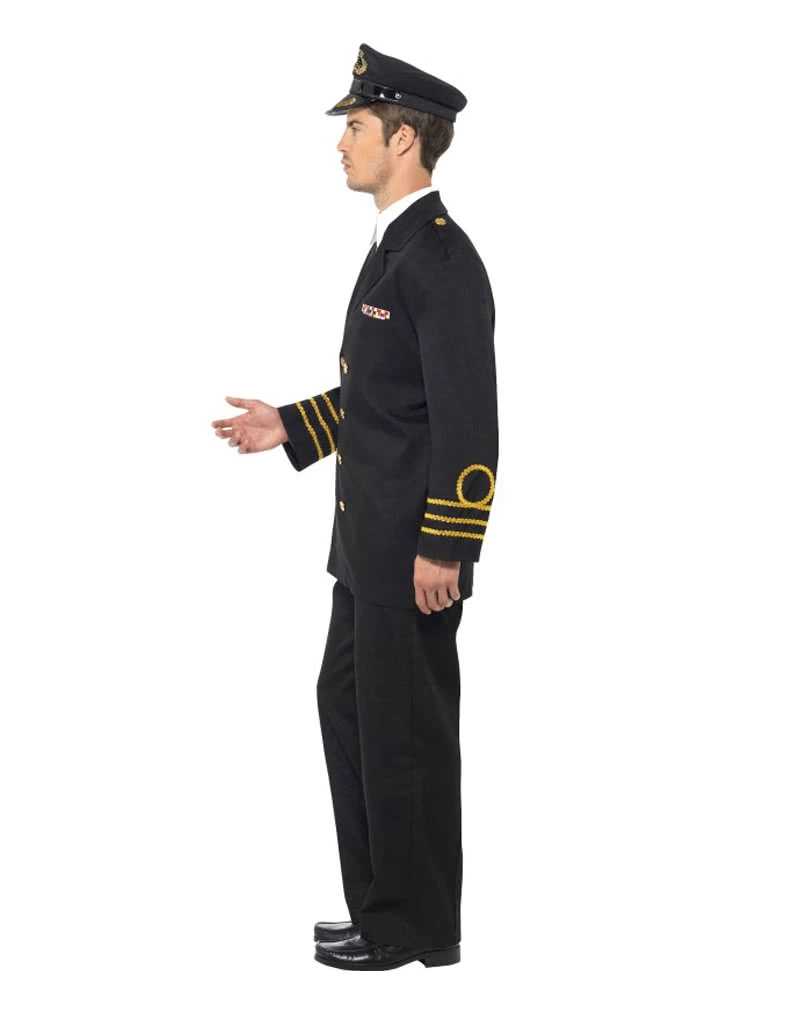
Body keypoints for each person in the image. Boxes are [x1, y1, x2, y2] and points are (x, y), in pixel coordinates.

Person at [210, 42, 498, 971]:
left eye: (359, 127)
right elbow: (387, 397)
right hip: (368, 548)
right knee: (351, 709)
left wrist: (446, 547)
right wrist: (290, 425)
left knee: (404, 733)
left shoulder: (440, 258)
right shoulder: (395, 248)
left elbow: (467, 419)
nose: (342, 143)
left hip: (411, 554)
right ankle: (381, 909)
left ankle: (415, 928)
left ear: (404, 139)